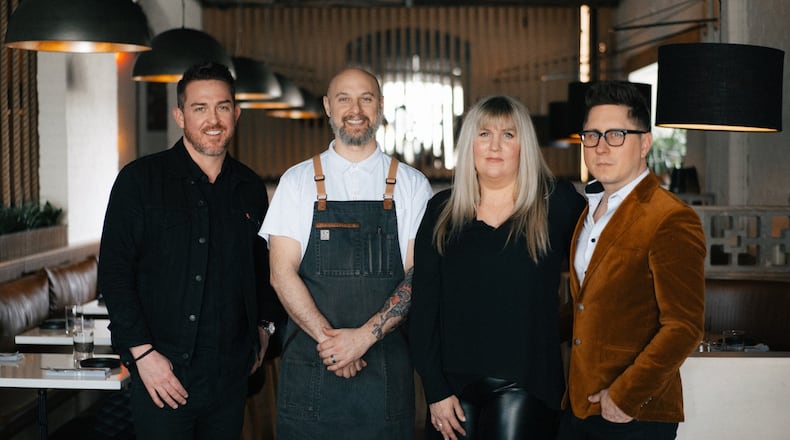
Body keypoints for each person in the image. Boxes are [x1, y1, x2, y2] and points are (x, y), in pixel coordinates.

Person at [98, 61, 280, 439]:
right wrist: (143, 356)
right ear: (180, 116)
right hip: (161, 375)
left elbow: (265, 271)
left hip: (230, 378)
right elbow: (114, 275)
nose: (213, 119)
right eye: (200, 108)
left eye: (223, 107)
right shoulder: (139, 181)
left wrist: (263, 330)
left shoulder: (249, 187)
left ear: (236, 112)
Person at [260, 67, 433, 439]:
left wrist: (361, 339)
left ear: (381, 106)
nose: (355, 109)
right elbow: (280, 273)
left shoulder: (413, 185)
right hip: (311, 373)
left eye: (366, 98)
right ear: (327, 106)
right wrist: (332, 343)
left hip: (384, 376)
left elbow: (419, 276)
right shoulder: (296, 182)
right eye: (344, 99)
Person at [409, 95, 587, 440]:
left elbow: (605, 262)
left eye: (508, 135)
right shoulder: (441, 211)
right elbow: (424, 309)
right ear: (469, 144)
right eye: (484, 133)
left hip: (527, 382)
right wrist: (434, 391)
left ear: (525, 146)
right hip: (451, 387)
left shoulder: (557, 203)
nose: (494, 145)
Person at [557, 80, 706, 440]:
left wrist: (625, 397)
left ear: (645, 143)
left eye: (616, 135)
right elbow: (587, 307)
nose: (601, 147)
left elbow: (684, 327)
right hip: (578, 405)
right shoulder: (588, 212)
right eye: (591, 135)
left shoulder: (670, 217)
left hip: (635, 413)